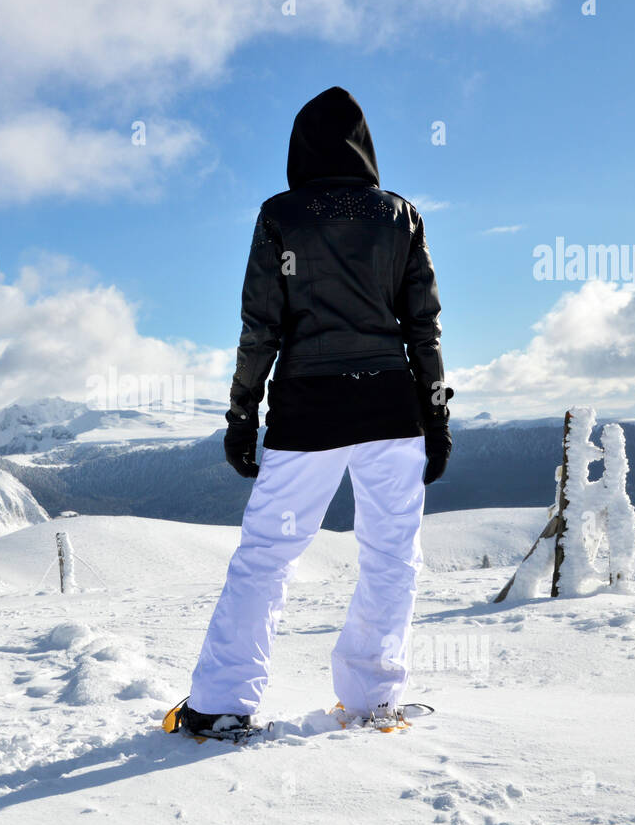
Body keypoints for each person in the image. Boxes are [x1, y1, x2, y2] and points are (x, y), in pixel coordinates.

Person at [171, 86, 453, 739]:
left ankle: (220, 703)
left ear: (298, 148)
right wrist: (435, 415)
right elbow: (424, 327)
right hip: (391, 405)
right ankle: (372, 698)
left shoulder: (281, 216)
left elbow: (260, 327)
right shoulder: (400, 216)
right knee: (391, 556)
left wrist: (242, 414)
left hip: (308, 407)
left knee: (267, 554)